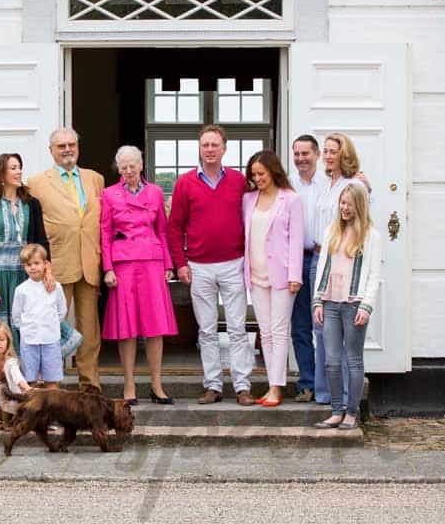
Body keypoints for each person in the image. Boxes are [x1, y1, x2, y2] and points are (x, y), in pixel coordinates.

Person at [167, 125, 254, 405]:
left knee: (237, 328)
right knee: (206, 330)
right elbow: (174, 227)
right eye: (205, 145)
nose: (210, 149)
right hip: (199, 265)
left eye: (215, 145)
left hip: (233, 263)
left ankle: (242, 386)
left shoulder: (240, 181)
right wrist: (180, 263)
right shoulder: (185, 182)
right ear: (200, 148)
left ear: (224, 148)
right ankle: (213, 385)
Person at [26, 128, 105, 392]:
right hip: (56, 264)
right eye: (61, 146)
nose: (67, 149)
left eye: (72, 144)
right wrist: (42, 265)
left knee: (90, 330)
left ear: (78, 148)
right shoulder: (36, 183)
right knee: (50, 327)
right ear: (51, 151)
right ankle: (51, 386)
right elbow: (34, 228)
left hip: (89, 263)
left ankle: (89, 384)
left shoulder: (95, 179)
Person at [99, 145, 177, 405]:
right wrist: (107, 268)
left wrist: (168, 264)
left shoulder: (155, 192)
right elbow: (105, 233)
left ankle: (157, 384)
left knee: (155, 327)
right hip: (123, 263)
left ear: (141, 166)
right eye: (124, 167)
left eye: (133, 166)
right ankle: (129, 383)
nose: (129, 171)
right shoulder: (109, 194)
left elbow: (162, 231)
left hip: (152, 261)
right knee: (127, 327)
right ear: (118, 169)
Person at [312, 184, 382, 431]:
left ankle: (352, 413)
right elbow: (323, 267)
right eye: (342, 203)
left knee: (353, 360)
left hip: (354, 306)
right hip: (330, 303)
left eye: (350, 204)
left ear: (359, 206)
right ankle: (335, 411)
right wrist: (318, 300)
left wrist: (366, 305)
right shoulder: (331, 231)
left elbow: (374, 274)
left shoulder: (371, 236)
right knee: (331, 360)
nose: (345, 208)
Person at [242, 150, 304, 407]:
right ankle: (271, 384)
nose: (257, 178)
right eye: (254, 175)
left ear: (273, 171)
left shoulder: (291, 199)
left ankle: (277, 388)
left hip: (282, 276)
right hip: (255, 276)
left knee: (279, 332)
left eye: (261, 174)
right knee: (265, 332)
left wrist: (295, 276)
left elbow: (297, 240)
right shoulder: (248, 199)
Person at [0, 153, 51, 354]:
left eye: (19, 167)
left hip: (26, 276)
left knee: (27, 328)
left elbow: (41, 241)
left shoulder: (32, 204)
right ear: (1, 174)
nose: (19, 172)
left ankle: (25, 380)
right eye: (13, 168)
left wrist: (47, 273)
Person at [312, 133, 369, 406]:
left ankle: (347, 397)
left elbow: (363, 220)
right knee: (320, 330)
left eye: (333, 151)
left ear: (344, 154)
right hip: (319, 259)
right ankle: (325, 393)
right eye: (326, 151)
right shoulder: (324, 183)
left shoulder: (353, 183)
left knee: (343, 336)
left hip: (342, 259)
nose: (328, 155)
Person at [287, 135, 323, 402]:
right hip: (296, 260)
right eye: (297, 154)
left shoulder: (332, 183)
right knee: (300, 326)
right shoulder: (288, 186)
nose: (301, 159)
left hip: (323, 259)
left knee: (323, 325)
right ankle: (307, 383)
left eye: (305, 153)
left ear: (317, 154)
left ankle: (325, 385)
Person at [11, 243, 67, 387]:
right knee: (30, 381)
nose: (33, 267)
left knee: (51, 380)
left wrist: (51, 324)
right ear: (24, 267)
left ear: (45, 264)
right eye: (29, 264)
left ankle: (53, 409)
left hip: (50, 340)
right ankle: (33, 409)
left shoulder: (56, 287)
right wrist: (26, 329)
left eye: (36, 263)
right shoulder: (21, 290)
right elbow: (16, 316)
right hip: (29, 341)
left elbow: (62, 311)